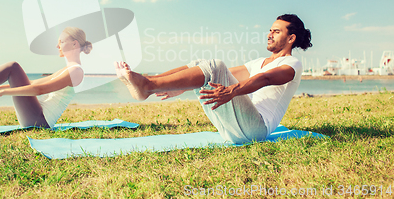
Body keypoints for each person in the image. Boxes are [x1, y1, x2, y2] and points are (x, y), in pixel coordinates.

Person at [115, 14, 312, 144]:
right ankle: (148, 80)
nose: (269, 34)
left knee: (214, 65)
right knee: (201, 63)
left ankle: (147, 85)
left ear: (291, 38)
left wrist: (233, 91)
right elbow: (219, 73)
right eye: (270, 30)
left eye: (276, 31)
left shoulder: (293, 64)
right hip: (232, 131)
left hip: (256, 130)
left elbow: (266, 78)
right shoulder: (259, 61)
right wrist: (184, 86)